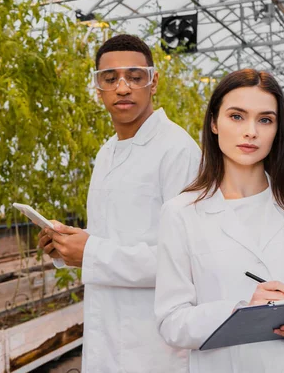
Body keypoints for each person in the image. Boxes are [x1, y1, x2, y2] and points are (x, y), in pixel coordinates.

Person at [154, 69, 284, 372]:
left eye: (265, 120)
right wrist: (242, 310)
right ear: (214, 123)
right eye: (236, 116)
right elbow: (171, 321)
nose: (251, 132)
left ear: (277, 130)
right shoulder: (182, 212)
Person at [38, 34, 200, 372]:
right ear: (98, 88)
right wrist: (68, 245)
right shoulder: (107, 152)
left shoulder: (177, 151)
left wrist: (91, 253)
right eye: (110, 79)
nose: (122, 87)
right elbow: (114, 236)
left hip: (153, 346)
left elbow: (185, 261)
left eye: (135, 76)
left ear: (154, 81)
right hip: (105, 333)